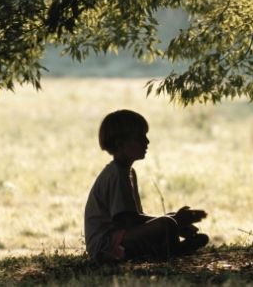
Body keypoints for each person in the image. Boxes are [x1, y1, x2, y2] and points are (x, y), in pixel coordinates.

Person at [84, 109, 209, 262]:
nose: (147, 141)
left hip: (118, 238)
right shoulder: (117, 174)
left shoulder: (127, 172)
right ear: (120, 143)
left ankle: (167, 250)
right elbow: (127, 221)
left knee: (168, 219)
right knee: (167, 222)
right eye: (140, 137)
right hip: (105, 247)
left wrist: (174, 220)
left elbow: (134, 219)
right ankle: (173, 253)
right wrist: (176, 221)